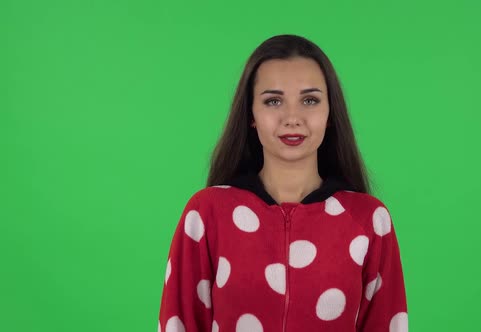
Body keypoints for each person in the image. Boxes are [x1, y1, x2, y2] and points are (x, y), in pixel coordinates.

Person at [157, 34, 408, 332]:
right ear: (251, 113)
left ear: (330, 114)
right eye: (273, 101)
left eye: (310, 100)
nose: (292, 117)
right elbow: (179, 324)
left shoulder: (369, 220)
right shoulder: (207, 213)